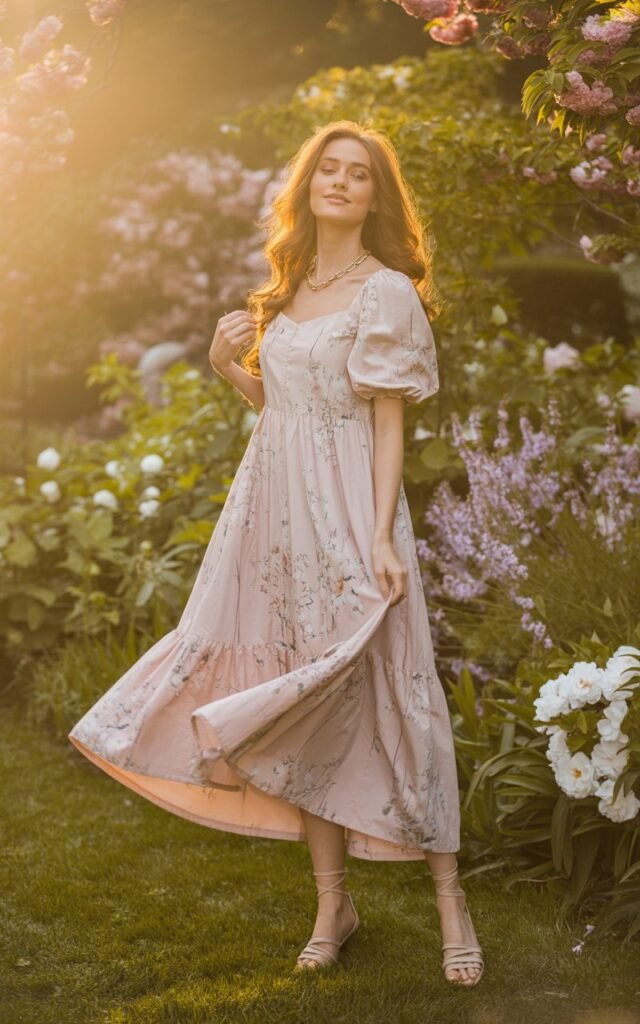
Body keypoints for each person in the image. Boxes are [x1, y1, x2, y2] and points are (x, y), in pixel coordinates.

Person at [68, 119, 483, 985]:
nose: (339, 182)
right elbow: (289, 415)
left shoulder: (386, 292)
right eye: (326, 169)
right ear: (308, 186)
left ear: (376, 194)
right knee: (306, 703)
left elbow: (382, 424)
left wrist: (377, 535)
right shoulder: (290, 288)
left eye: (357, 174)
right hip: (275, 519)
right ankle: (334, 905)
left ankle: (453, 904)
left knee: (398, 694)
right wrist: (232, 371)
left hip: (353, 514)